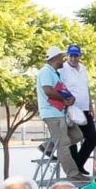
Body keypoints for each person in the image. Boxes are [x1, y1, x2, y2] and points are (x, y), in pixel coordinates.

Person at [36, 44, 83, 180]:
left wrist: (69, 98)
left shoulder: (54, 73)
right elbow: (48, 90)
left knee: (78, 135)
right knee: (63, 145)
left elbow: (59, 89)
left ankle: (48, 146)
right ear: (55, 58)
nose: (63, 60)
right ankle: (73, 173)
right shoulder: (46, 71)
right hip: (52, 114)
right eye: (61, 57)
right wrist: (64, 100)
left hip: (59, 113)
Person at [59, 43, 96, 174]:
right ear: (67, 56)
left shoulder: (83, 68)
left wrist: (91, 105)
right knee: (74, 138)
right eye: (71, 56)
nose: (73, 58)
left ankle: (78, 164)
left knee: (92, 137)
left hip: (84, 109)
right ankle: (74, 169)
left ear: (80, 56)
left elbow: (85, 87)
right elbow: (60, 87)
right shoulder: (62, 69)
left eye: (76, 56)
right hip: (72, 109)